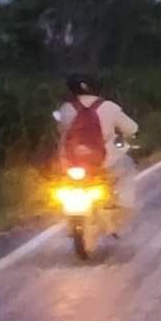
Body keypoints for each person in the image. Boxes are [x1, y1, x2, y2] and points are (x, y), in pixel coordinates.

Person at [55, 74, 140, 219]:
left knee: (59, 183)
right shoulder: (109, 107)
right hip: (103, 162)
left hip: (70, 163)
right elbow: (132, 129)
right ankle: (123, 205)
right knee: (127, 166)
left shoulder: (65, 108)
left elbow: (60, 130)